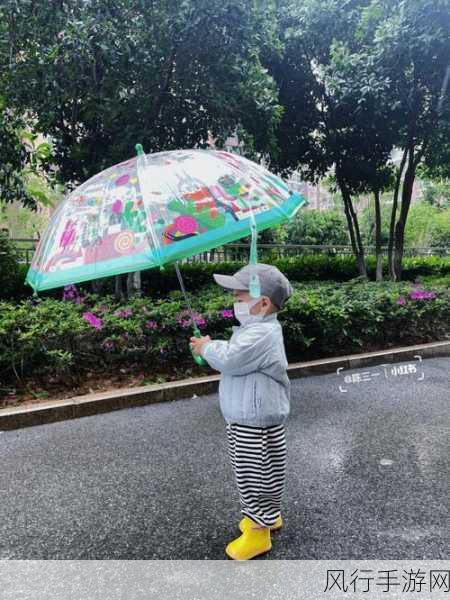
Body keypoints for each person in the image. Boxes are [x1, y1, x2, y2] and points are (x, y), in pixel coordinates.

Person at [190, 263, 293, 560]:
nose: (235, 303)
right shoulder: (258, 329)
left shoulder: (261, 334)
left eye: (239, 298)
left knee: (253, 473)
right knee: (265, 469)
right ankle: (268, 516)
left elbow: (232, 359)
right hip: (253, 417)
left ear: (262, 303)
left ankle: (259, 534)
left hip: (254, 420)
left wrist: (206, 347)